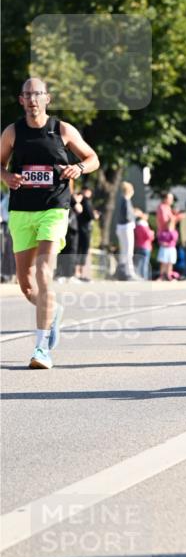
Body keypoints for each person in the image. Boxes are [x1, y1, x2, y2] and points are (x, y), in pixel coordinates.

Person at [0, 76, 99, 368]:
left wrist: (79, 168)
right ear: (21, 100)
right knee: (27, 285)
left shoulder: (62, 129)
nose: (32, 100)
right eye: (27, 95)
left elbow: (93, 157)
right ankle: (52, 311)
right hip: (21, 211)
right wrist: (6, 177)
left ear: (47, 99)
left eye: (38, 94)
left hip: (54, 209)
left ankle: (41, 349)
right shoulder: (12, 132)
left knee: (44, 273)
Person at [155, 192, 181, 281]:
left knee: (170, 259)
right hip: (165, 235)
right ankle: (162, 275)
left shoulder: (167, 208)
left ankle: (168, 275)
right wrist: (177, 217)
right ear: (165, 199)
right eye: (170, 198)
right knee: (164, 259)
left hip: (169, 236)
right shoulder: (162, 208)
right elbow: (166, 223)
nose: (172, 200)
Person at [75, 186, 98, 281]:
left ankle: (77, 273)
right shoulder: (86, 201)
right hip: (84, 229)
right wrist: (95, 215)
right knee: (83, 250)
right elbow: (91, 215)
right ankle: (80, 273)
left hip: (78, 228)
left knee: (79, 250)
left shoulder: (79, 201)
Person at [116, 180, 137, 280]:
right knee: (128, 251)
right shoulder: (126, 200)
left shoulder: (123, 200)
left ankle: (123, 271)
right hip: (126, 227)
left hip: (121, 227)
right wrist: (135, 215)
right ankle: (129, 272)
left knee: (125, 250)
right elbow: (128, 216)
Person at [133, 210, 154, 280]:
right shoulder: (145, 225)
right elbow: (149, 236)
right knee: (145, 264)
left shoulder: (137, 225)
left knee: (139, 263)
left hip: (138, 245)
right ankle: (144, 278)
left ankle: (138, 277)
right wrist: (152, 233)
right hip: (146, 246)